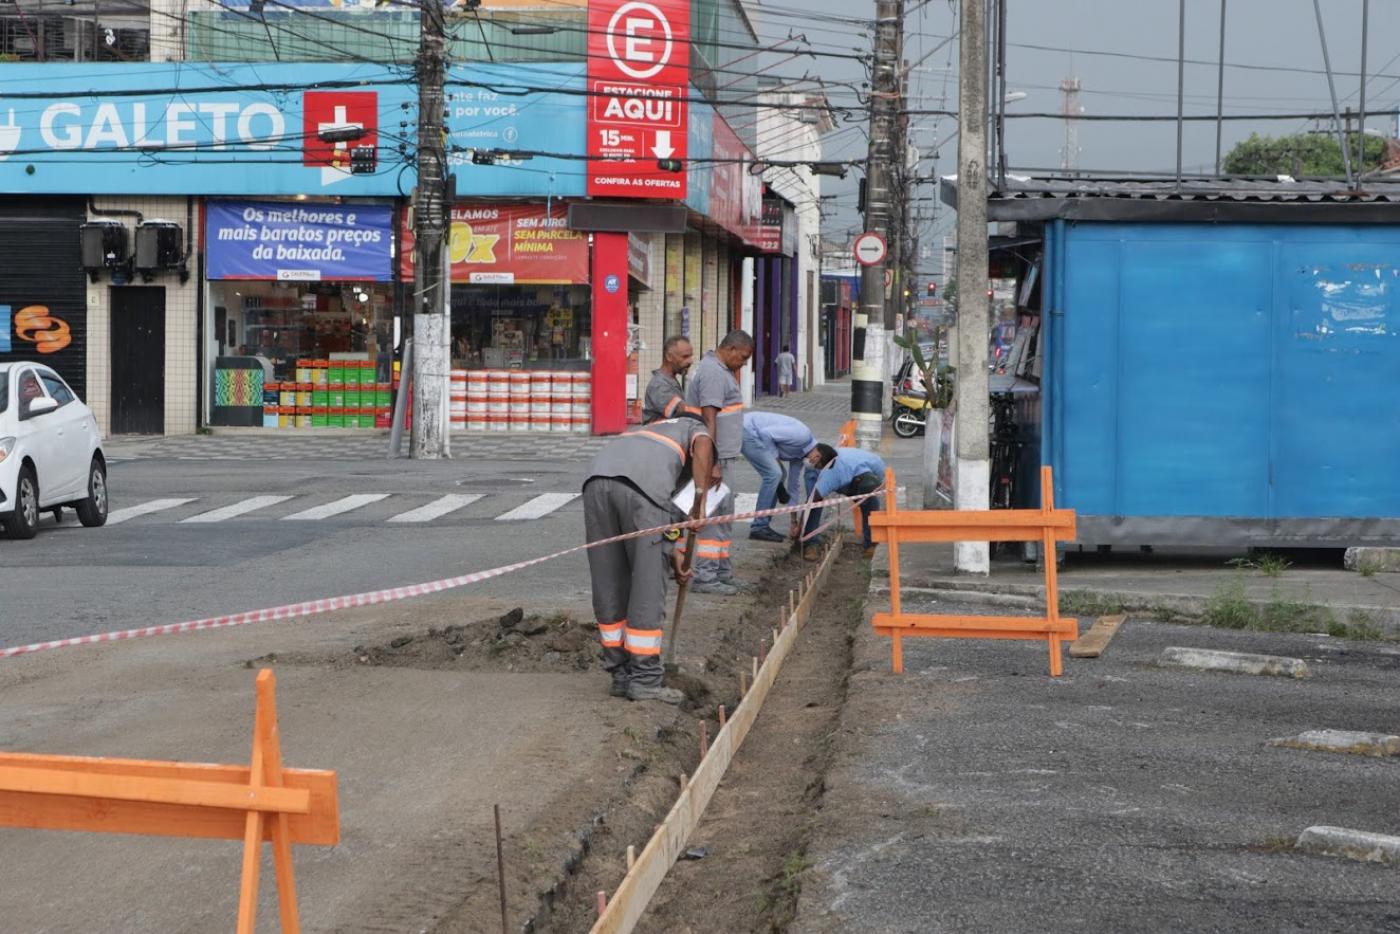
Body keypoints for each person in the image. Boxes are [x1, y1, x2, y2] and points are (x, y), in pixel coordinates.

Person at [583, 417, 716, 704]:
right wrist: (701, 502)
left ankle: (621, 675)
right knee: (647, 583)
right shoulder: (696, 430)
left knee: (609, 581)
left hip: (596, 482)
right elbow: (704, 444)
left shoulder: (650, 432)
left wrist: (675, 552)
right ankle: (645, 680)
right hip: (641, 490)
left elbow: (667, 513)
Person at [684, 329, 754, 595]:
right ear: (732, 349)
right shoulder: (713, 373)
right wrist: (710, 461)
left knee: (724, 519)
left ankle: (721, 573)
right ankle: (705, 577)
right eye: (743, 357)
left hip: (723, 459)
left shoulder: (721, 371)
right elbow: (709, 420)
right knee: (713, 519)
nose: (744, 363)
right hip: (716, 461)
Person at [741, 411, 819, 544]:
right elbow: (766, 434)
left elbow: (793, 487)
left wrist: (793, 522)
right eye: (818, 463)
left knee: (779, 474)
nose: (814, 465)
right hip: (747, 430)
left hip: (755, 435)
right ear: (818, 454)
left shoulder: (800, 456)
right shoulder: (803, 436)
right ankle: (759, 527)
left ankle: (763, 524)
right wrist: (775, 459)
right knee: (774, 474)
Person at [802, 443, 886, 561]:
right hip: (824, 471)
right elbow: (811, 502)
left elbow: (880, 484)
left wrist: (869, 494)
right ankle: (810, 542)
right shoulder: (831, 476)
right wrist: (800, 525)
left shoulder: (876, 463)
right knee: (816, 504)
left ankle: (871, 544)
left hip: (852, 469)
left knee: (871, 503)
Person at [642, 335, 697, 423]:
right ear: (669, 357)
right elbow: (682, 411)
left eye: (690, 356)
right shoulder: (658, 385)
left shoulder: (669, 381)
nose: (690, 361)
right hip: (661, 435)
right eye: (685, 357)